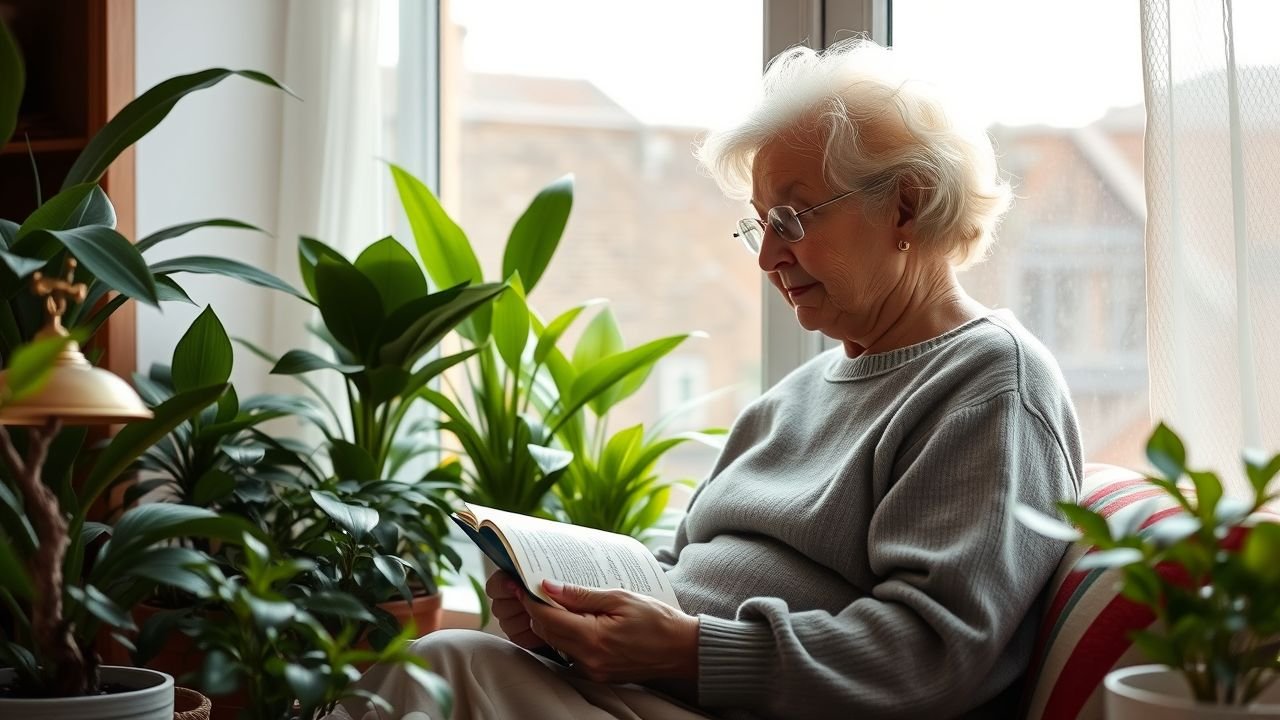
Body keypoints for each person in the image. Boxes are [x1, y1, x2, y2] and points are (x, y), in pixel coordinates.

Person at [331, 36, 1082, 720]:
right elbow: (681, 576)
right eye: (760, 225)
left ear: (905, 206)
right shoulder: (795, 396)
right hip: (658, 694)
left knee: (440, 669)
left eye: (789, 219)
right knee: (445, 668)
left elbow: (931, 657)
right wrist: (569, 624)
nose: (766, 259)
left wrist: (685, 651)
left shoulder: (988, 385)